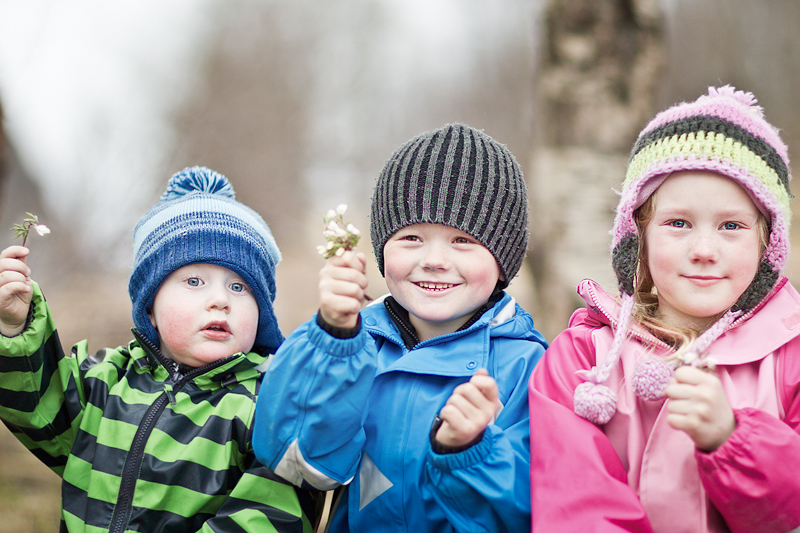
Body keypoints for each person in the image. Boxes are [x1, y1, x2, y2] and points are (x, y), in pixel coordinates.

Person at [528, 86, 800, 532]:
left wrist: (732, 441)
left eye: (731, 226)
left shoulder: (790, 357)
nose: (705, 249)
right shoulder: (582, 361)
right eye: (678, 223)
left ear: (766, 244)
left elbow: (789, 510)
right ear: (638, 237)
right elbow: (577, 509)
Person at [252, 123, 548, 532]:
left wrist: (471, 451)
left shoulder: (530, 367)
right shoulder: (354, 345)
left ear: (504, 259)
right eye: (411, 237)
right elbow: (297, 462)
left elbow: (530, 513)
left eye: (463, 240)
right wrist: (332, 339)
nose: (434, 259)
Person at [0, 167, 321, 532]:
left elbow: (268, 516)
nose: (220, 300)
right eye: (195, 281)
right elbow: (39, 411)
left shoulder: (267, 403)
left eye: (239, 287)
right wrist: (14, 328)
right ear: (150, 307)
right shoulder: (106, 382)